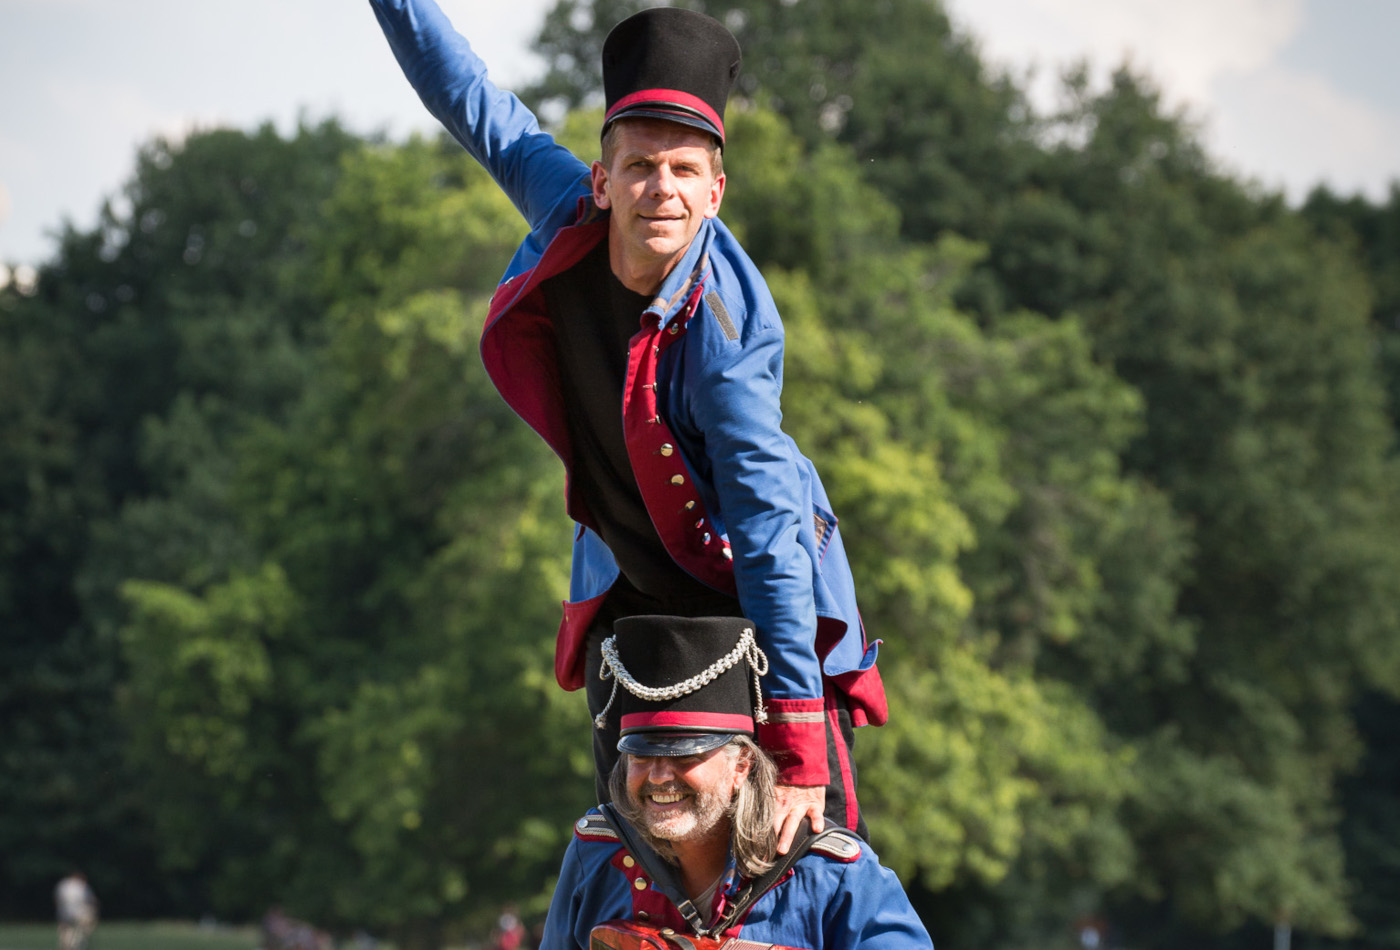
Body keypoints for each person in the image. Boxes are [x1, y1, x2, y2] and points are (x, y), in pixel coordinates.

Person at [369, 0, 888, 846]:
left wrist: (796, 735)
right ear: (603, 179)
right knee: (632, 850)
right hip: (634, 590)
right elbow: (466, 95)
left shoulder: (730, 330)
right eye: (642, 166)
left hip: (756, 596)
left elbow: (764, 530)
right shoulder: (565, 208)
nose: (662, 190)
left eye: (686, 170)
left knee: (802, 851)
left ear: (715, 192)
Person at [538, 615, 932, 950]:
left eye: (684, 755)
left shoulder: (833, 874)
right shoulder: (594, 856)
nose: (658, 777)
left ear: (741, 764)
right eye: (641, 756)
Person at [54, 871, 98, 950]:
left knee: (66, 930)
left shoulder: (63, 884)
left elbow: (57, 899)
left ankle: (67, 944)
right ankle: (76, 943)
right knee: (83, 928)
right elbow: (91, 901)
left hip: (64, 913)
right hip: (80, 913)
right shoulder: (82, 885)